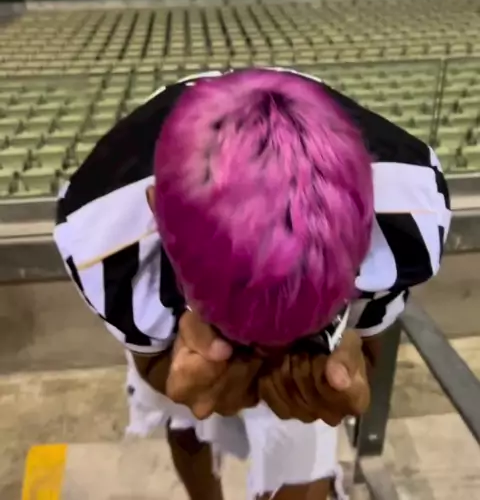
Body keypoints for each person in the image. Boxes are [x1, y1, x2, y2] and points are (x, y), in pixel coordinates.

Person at [54, 68, 451, 500]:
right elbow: (151, 362)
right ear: (157, 220)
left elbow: (368, 343)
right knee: (185, 425)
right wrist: (175, 379)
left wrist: (339, 381)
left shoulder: (409, 217)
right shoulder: (104, 243)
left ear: (367, 226)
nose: (268, 359)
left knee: (301, 464)